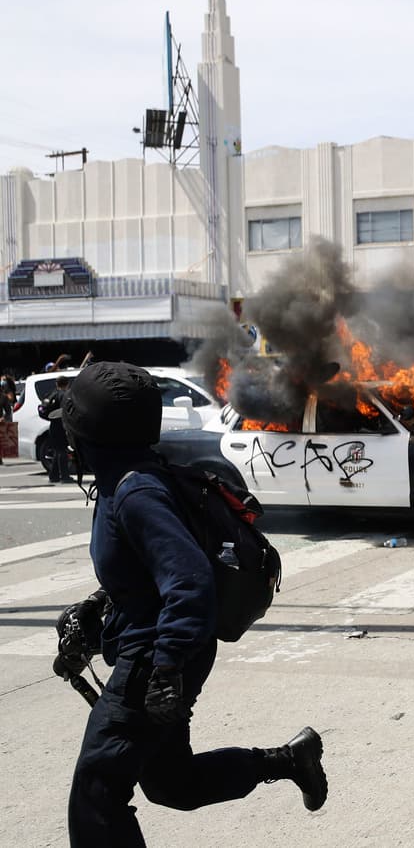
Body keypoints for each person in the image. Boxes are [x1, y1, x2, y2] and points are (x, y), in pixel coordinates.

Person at [59, 362, 329, 846]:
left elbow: (188, 579)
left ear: (88, 437)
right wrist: (95, 607)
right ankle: (290, 760)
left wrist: (166, 669)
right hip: (164, 648)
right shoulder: (130, 477)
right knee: (172, 783)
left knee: (97, 792)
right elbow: (149, 575)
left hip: (155, 660)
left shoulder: (135, 492)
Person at [41, 375, 73, 482]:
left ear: (56, 384)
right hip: (61, 425)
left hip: (53, 424)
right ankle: (65, 477)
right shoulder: (64, 395)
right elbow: (67, 410)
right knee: (62, 451)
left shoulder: (52, 394)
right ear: (67, 384)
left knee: (57, 451)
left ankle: (53, 476)